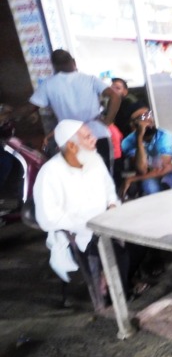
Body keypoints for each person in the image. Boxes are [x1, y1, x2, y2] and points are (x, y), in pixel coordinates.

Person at [32, 120, 142, 307]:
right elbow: (47, 218)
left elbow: (110, 192)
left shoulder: (94, 159)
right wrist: (90, 225)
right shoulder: (50, 173)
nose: (94, 139)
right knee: (117, 250)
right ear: (71, 145)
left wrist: (113, 205)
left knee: (142, 238)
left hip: (107, 223)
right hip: (77, 235)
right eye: (87, 137)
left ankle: (111, 280)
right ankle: (116, 295)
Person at [28, 49, 120, 171]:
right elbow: (115, 96)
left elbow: (31, 107)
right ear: (74, 62)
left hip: (72, 140)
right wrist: (108, 120)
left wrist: (10, 114)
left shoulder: (48, 85)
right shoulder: (90, 79)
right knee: (105, 175)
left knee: (78, 177)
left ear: (54, 66)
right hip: (97, 134)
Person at [119, 103, 172, 198]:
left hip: (169, 172)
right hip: (147, 176)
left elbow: (163, 168)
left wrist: (132, 179)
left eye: (148, 114)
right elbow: (142, 170)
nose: (148, 119)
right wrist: (139, 138)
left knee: (165, 182)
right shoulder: (127, 142)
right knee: (149, 184)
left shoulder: (163, 135)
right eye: (142, 117)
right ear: (133, 124)